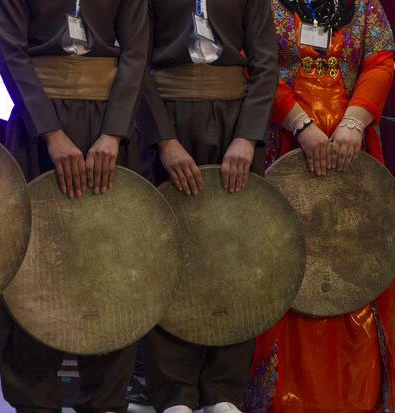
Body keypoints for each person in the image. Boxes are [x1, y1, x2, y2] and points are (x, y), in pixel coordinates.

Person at [0, 0, 148, 411]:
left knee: (112, 269)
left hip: (108, 131)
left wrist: (115, 132)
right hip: (37, 128)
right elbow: (11, 52)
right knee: (34, 265)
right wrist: (50, 132)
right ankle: (33, 400)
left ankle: (106, 400)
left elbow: (136, 52)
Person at [246, 1, 395, 412]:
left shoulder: (365, 6)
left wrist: (355, 120)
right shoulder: (264, 4)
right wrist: (299, 123)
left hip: (352, 156)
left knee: (352, 266)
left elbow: (381, 60)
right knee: (285, 267)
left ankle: (354, 397)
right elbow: (250, 60)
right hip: (282, 149)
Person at [136, 1, 278, 412]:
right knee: (166, 252)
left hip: (235, 121)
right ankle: (174, 391)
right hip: (169, 118)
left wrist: (248, 136)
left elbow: (266, 64)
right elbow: (135, 62)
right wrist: (163, 140)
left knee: (237, 254)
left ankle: (224, 391)